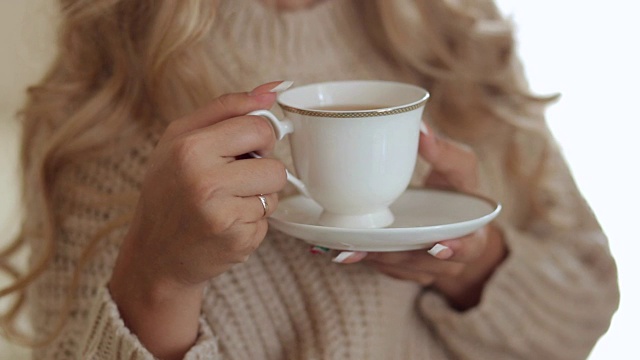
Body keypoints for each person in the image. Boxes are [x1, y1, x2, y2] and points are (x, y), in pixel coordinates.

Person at [0, 0, 619, 359]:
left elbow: (589, 307)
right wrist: (157, 277)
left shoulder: (457, 34)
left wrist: (476, 267)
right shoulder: (94, 103)